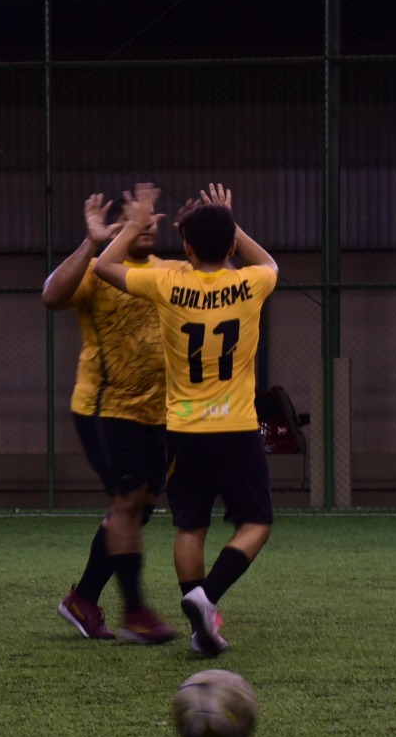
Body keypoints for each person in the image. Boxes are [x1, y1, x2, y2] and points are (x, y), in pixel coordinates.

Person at [93, 183, 278, 655]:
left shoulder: (170, 282)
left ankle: (201, 629)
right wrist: (229, 221)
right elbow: (270, 264)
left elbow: (104, 266)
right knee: (256, 521)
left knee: (189, 527)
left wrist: (134, 224)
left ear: (187, 247)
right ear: (233, 244)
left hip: (184, 430)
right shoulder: (253, 282)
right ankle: (207, 599)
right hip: (235, 429)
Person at [41, 189, 181, 644]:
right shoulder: (97, 271)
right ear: (117, 225)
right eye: (134, 218)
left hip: (158, 413)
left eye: (151, 219)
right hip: (105, 408)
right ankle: (137, 612)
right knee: (126, 504)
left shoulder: (169, 271)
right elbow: (52, 295)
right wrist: (92, 243)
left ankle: (82, 599)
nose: (146, 225)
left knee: (138, 510)